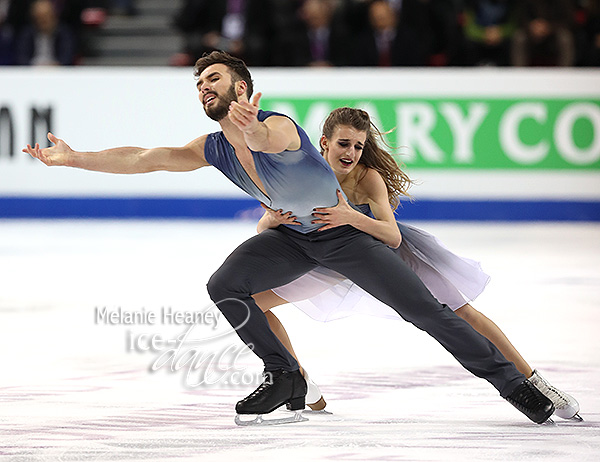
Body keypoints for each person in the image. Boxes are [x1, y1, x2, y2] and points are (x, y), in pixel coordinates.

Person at [23, 50, 554, 425]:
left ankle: (514, 386)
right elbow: (143, 158)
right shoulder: (210, 148)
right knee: (226, 284)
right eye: (199, 84)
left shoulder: (277, 126)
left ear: (242, 88)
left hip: (346, 238)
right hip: (293, 240)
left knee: (429, 313)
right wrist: (73, 158)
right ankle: (285, 376)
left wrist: (250, 125)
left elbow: (263, 137)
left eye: (214, 78)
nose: (205, 87)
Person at [252, 106, 580, 420]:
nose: (351, 152)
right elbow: (265, 227)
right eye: (343, 144)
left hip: (388, 253)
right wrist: (272, 219)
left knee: (460, 312)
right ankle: (298, 378)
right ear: (324, 143)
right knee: (252, 304)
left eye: (358, 145)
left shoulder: (367, 178)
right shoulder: (299, 174)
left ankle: (535, 383)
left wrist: (350, 217)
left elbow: (391, 236)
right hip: (329, 261)